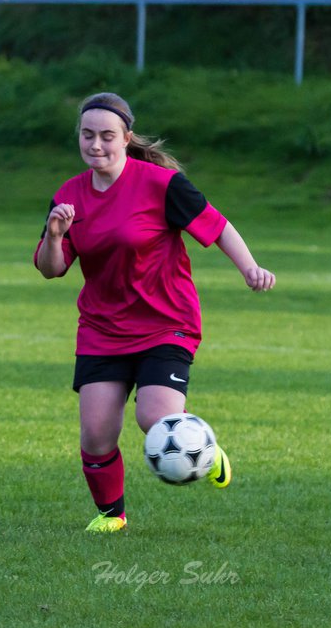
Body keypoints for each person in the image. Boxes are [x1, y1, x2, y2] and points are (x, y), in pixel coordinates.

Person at [33, 92, 275, 533]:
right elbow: (52, 269)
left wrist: (250, 268)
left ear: (126, 138)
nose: (96, 145)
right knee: (96, 435)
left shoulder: (160, 185)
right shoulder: (68, 197)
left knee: (155, 418)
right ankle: (112, 516)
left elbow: (217, 226)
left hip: (167, 322)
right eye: (88, 136)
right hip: (103, 328)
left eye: (107, 136)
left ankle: (205, 449)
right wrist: (54, 236)